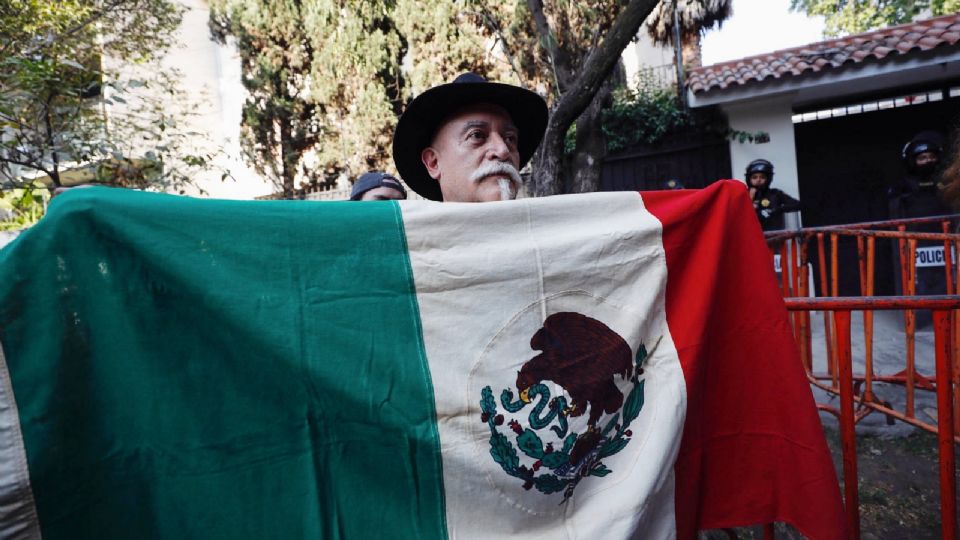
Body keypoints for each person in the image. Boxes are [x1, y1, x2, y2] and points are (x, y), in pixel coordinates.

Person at [392, 72, 548, 202]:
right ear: (433, 163)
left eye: (510, 139)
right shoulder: (416, 239)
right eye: (477, 135)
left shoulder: (551, 235)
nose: (503, 150)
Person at [745, 158, 800, 231]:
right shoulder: (744, 194)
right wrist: (750, 199)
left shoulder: (775, 193)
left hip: (774, 236)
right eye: (754, 177)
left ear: (768, 178)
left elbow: (798, 205)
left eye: (762, 177)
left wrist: (776, 210)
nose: (758, 180)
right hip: (752, 236)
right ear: (749, 179)